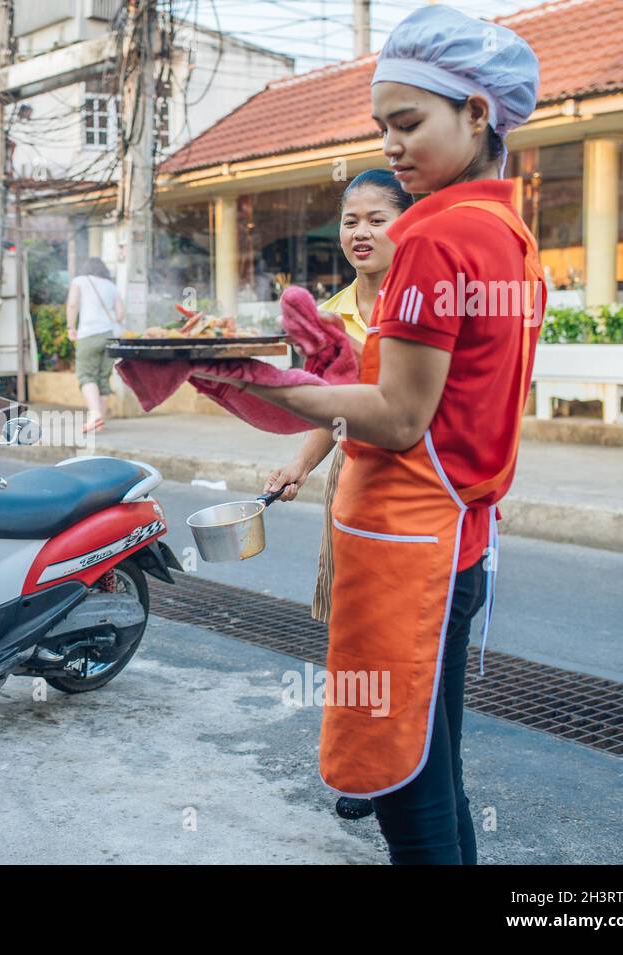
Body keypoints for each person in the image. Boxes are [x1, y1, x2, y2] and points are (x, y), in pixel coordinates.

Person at [197, 5, 541, 864]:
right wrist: (335, 361)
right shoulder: (508, 232)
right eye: (381, 126)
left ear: (477, 112)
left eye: (409, 123)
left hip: (407, 546)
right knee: (437, 763)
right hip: (457, 537)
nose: (390, 145)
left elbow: (399, 416)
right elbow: (448, 388)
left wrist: (271, 384)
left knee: (403, 784)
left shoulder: (433, 236)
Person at [265, 167, 414, 822]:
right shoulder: (331, 316)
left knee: (407, 635)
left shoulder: (421, 305)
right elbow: (335, 416)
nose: (361, 231)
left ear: (406, 222)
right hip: (350, 488)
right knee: (353, 635)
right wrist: (297, 464)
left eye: (376, 218)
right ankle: (361, 765)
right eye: (351, 220)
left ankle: (410, 759)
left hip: (413, 493)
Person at [67, 256, 124, 433]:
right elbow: (121, 314)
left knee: (87, 375)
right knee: (103, 378)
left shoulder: (80, 281)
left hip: (88, 334)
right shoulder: (111, 286)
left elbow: (72, 304)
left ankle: (94, 415)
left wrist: (70, 326)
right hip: (109, 335)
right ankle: (99, 421)